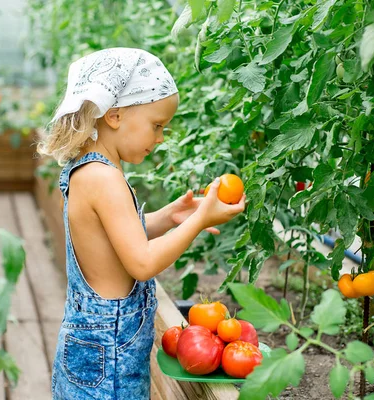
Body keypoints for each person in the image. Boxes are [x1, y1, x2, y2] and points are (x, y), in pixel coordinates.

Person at [37, 48, 245, 400]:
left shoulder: (89, 169)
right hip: (108, 366)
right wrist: (198, 223)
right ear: (116, 116)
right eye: (157, 125)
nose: (160, 137)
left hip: (93, 354)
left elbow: (116, 239)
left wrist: (171, 217)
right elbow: (142, 262)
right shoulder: (106, 179)